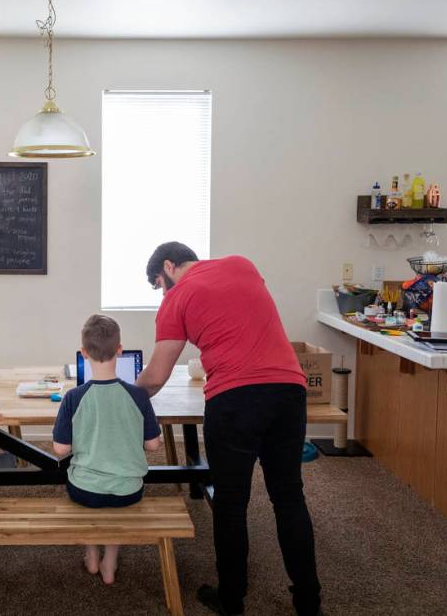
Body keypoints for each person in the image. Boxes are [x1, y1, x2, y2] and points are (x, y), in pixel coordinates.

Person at [136, 242, 322, 616]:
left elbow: (155, 377)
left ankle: (232, 600)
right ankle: (309, 601)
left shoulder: (177, 298)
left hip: (235, 400)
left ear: (169, 266)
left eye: (159, 283)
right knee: (289, 498)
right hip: (289, 389)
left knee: (231, 504)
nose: (162, 293)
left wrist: (120, 392)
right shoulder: (242, 264)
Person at [53, 314, 163, 585]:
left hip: (85, 490)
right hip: (128, 491)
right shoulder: (138, 395)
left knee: (82, 482)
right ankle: (110, 561)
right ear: (120, 351)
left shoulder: (73, 397)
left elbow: (59, 449)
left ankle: (91, 555)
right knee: (116, 497)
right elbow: (153, 445)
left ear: (83, 353)